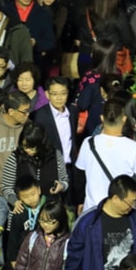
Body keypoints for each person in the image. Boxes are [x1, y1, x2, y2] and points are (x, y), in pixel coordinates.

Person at [64, 176, 136, 270]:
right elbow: (75, 253)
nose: (132, 206)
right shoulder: (88, 222)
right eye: (130, 203)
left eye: (135, 202)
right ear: (115, 198)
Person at [74, 97, 136, 216]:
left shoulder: (88, 143)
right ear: (124, 119)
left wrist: (80, 201)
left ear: (102, 118)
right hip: (123, 211)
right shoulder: (133, 147)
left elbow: (79, 177)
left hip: (93, 210)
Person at [0, 91, 32, 262]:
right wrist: (6, 181)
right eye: (24, 111)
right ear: (11, 112)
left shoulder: (28, 126)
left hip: (22, 194)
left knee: (22, 237)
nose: (27, 114)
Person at [2, 121, 68, 214]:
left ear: (41, 144)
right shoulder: (15, 158)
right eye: (25, 146)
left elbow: (65, 180)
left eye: (32, 147)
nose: (28, 150)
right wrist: (15, 202)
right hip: (25, 211)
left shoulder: (55, 155)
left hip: (50, 211)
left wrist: (61, 186)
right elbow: (6, 187)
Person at [32, 76, 79, 204]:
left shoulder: (73, 111)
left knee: (70, 208)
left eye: (63, 93)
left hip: (70, 168)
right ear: (47, 94)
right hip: (50, 169)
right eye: (55, 94)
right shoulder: (40, 116)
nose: (59, 98)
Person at [75, 0, 135, 77]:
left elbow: (81, 33)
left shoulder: (85, 12)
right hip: (111, 59)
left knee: (88, 87)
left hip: (87, 56)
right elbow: (128, 39)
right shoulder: (118, 15)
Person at [4, 0, 57, 76]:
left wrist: (35, 43)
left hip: (34, 66)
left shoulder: (43, 13)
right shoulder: (6, 11)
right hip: (9, 65)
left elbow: (50, 42)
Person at [75, 39, 119, 136]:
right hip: (114, 120)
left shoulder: (90, 76)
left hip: (93, 121)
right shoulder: (119, 75)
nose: (90, 54)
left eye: (93, 52)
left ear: (98, 56)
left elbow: (82, 103)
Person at [4, 174, 44, 267]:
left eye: (33, 194)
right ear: (19, 197)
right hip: (25, 255)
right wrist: (13, 259)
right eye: (25, 196)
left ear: (39, 190)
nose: (30, 199)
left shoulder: (47, 207)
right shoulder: (19, 213)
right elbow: (13, 238)